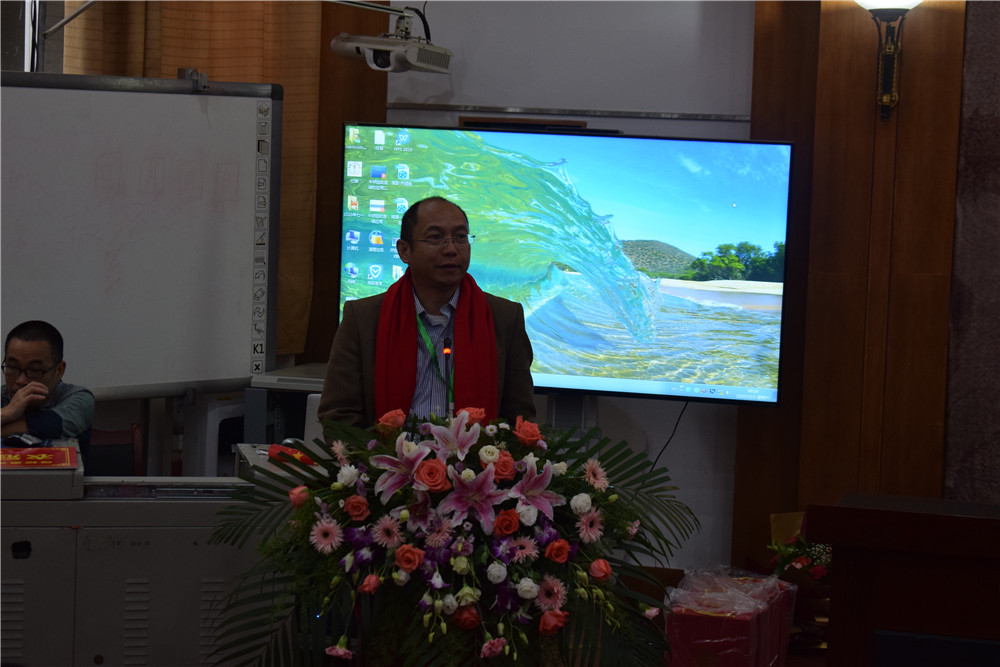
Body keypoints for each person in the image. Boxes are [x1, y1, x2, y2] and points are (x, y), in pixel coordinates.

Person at [319, 196, 536, 427]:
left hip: (477, 451)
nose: (451, 249)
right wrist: (380, 451)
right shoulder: (362, 318)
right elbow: (338, 416)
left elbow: (520, 419)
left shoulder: (504, 318)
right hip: (384, 450)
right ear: (404, 251)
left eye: (460, 237)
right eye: (435, 238)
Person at [2, 320, 94, 454]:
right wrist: (7, 412)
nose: (21, 380)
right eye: (13, 367)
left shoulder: (79, 397)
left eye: (35, 370)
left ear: (59, 371)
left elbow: (50, 425)